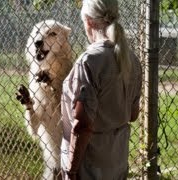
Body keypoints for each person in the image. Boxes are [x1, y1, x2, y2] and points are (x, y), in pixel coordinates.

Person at [60, 0, 142, 179]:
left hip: (89, 165)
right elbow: (132, 115)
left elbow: (82, 125)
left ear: (88, 21)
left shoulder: (88, 61)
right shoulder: (132, 60)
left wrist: (71, 170)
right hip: (117, 161)